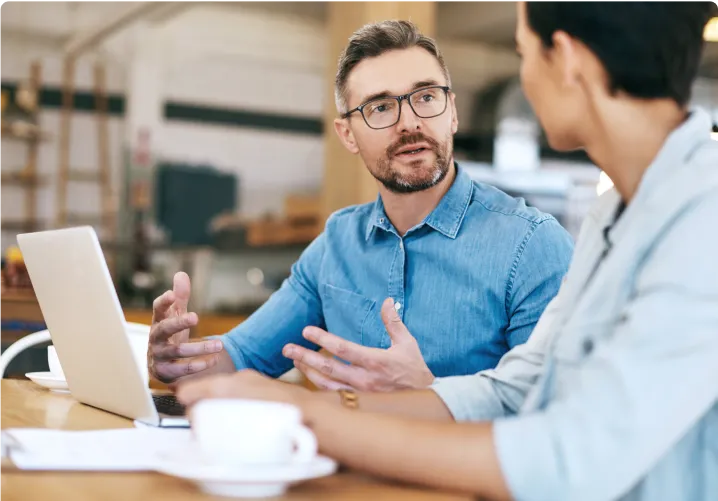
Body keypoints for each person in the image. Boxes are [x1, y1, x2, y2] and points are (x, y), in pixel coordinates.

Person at [176, 0, 718, 500]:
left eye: (525, 54)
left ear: (568, 60)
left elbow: (568, 458)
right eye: (381, 107)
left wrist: (305, 415)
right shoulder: (616, 212)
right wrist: (311, 404)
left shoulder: (703, 220)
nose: (525, 81)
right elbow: (509, 392)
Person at [147, 20, 573, 391]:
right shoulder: (337, 245)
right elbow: (240, 357)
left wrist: (429, 392)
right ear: (347, 135)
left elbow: (557, 419)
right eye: (381, 107)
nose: (410, 122)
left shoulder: (533, 246)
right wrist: (178, 361)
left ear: (453, 113)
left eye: (426, 97)